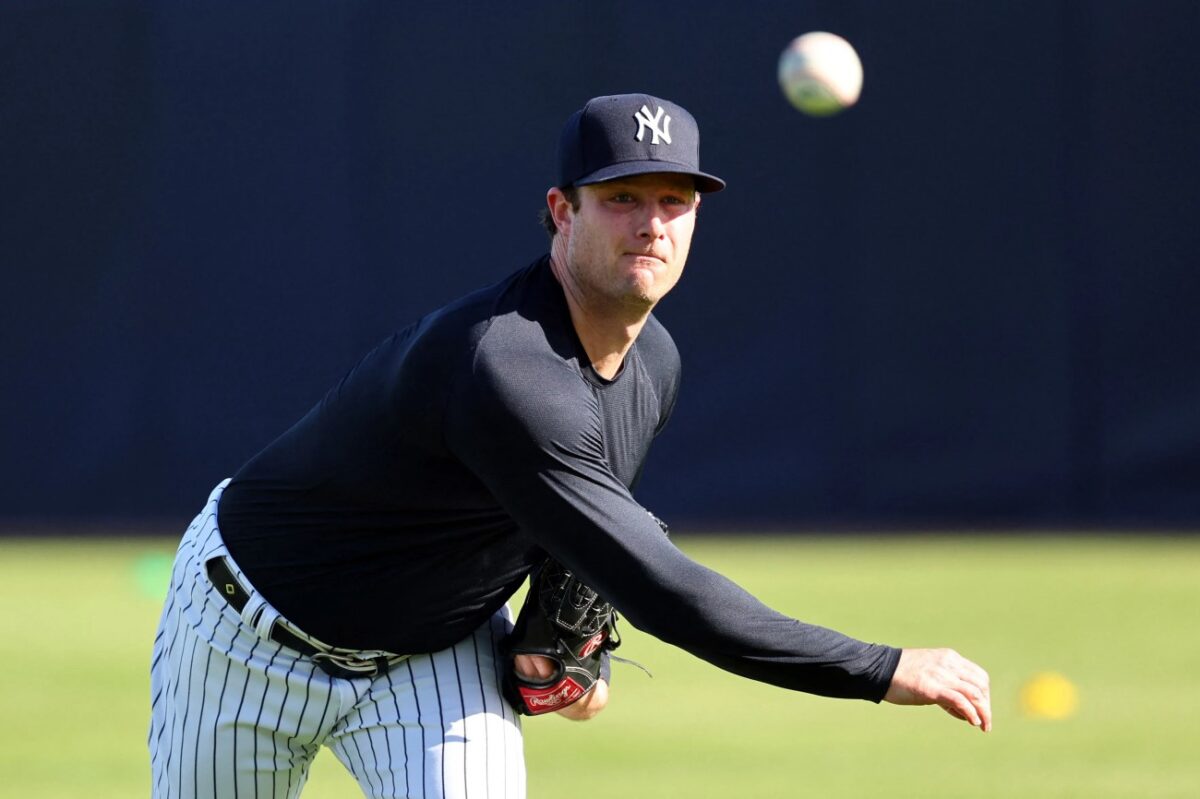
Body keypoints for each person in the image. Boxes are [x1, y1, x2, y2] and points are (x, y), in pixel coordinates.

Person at [149, 93, 991, 799]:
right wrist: (881, 666)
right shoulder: (504, 362)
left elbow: (576, 532)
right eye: (622, 198)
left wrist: (567, 641)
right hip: (245, 635)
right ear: (562, 211)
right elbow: (667, 592)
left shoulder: (652, 362)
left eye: (675, 200)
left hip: (431, 656)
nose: (651, 224)